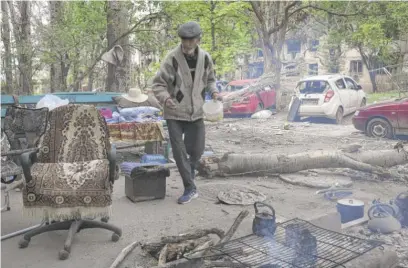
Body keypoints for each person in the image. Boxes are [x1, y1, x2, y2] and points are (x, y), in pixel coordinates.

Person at [152, 21, 220, 204]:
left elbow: (211, 80)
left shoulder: (205, 58)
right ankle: (190, 187)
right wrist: (165, 98)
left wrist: (214, 91)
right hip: (174, 112)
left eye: (191, 40)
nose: (187, 44)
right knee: (179, 151)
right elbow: (158, 84)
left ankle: (189, 174)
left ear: (198, 40)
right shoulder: (172, 58)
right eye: (184, 40)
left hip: (196, 111)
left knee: (196, 149)